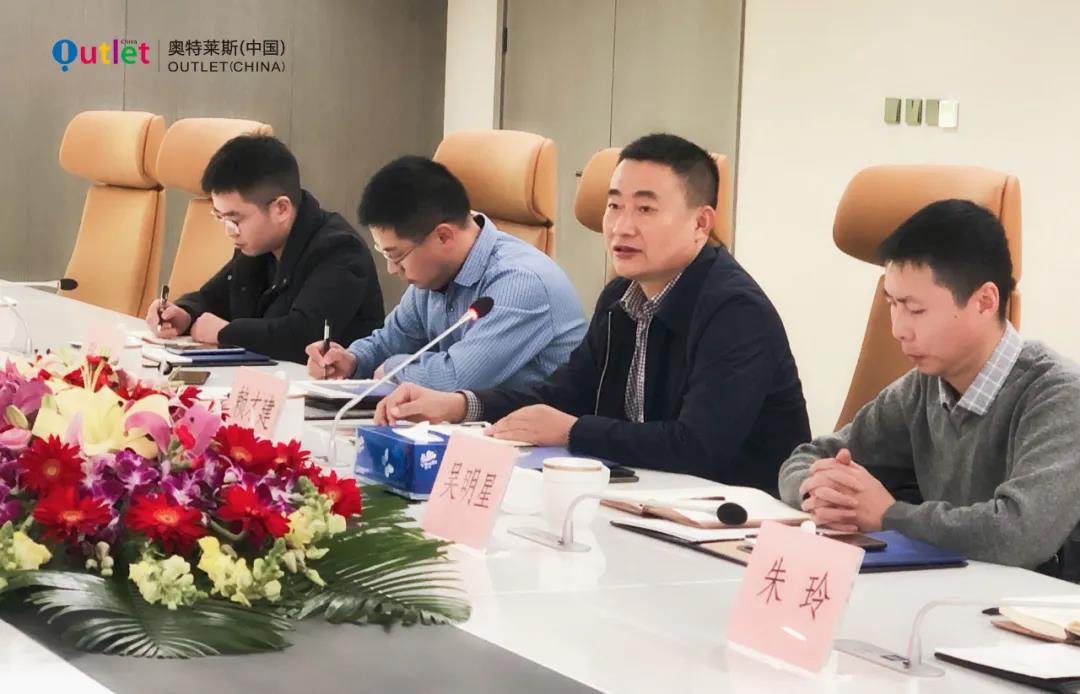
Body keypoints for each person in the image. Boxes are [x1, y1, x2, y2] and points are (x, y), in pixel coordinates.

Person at [373, 134, 810, 492]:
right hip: (639, 499)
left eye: (645, 209)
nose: (622, 226)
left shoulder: (734, 310)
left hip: (730, 524)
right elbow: (564, 393)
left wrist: (571, 431)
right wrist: (459, 405)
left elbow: (697, 446)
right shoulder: (621, 296)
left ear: (701, 223)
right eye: (614, 206)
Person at [778, 199, 1080, 574]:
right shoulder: (923, 388)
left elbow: (1017, 536)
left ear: (984, 302)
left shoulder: (1060, 397)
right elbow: (807, 457)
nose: (898, 329)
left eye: (916, 309)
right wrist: (820, 493)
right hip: (956, 592)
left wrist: (888, 516)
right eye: (892, 304)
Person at [305, 156, 586, 392]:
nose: (392, 269)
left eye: (396, 255)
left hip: (535, 437)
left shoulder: (521, 282)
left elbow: (455, 379)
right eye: (385, 254)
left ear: (443, 237)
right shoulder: (434, 278)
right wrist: (351, 360)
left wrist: (390, 369)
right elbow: (389, 341)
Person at [146, 134, 384, 363]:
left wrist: (225, 333)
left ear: (281, 208)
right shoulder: (259, 245)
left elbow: (302, 336)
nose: (229, 231)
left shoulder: (340, 250)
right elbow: (213, 297)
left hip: (327, 388)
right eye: (220, 217)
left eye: (235, 220)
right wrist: (184, 313)